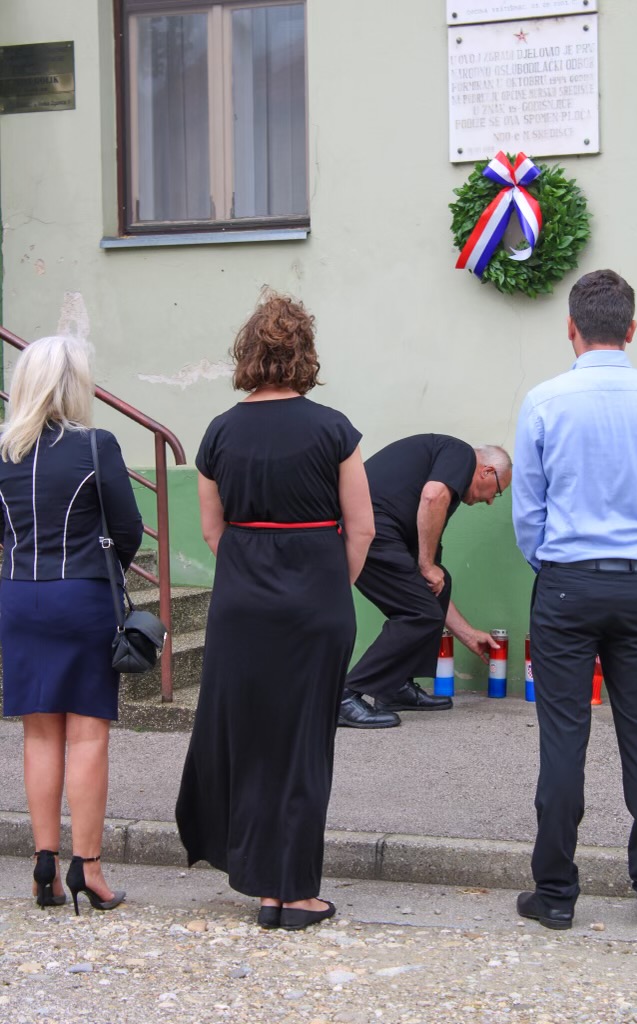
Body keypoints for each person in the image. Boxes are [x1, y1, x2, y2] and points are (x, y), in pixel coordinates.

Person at [175, 292, 375, 930]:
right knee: (305, 745)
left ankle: (266, 887)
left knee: (254, 743)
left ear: (248, 353)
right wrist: (327, 587)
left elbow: (213, 531)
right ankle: (297, 893)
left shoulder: (219, 431)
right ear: (305, 353)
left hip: (242, 606)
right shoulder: (334, 428)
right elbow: (362, 528)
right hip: (316, 605)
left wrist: (252, 578)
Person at [512, 269, 637, 931]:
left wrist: (553, 562)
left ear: (571, 329)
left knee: (564, 737)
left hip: (566, 582)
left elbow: (529, 508)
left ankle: (555, 894)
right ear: (631, 329)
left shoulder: (544, 401)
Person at [0, 335, 143, 914]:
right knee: (86, 734)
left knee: (38, 733)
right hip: (81, 594)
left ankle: (44, 867)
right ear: (75, 385)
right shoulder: (96, 445)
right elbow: (128, 529)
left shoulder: (3, 450)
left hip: (18, 594)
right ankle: (89, 867)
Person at [338, 435, 512, 728]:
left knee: (437, 587)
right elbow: (432, 496)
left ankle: (394, 686)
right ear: (487, 471)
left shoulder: (444, 492)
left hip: (378, 530)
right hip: (369, 529)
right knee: (420, 611)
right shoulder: (461, 454)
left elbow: (430, 587)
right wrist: (427, 564)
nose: (490, 500)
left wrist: (468, 634)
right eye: (496, 491)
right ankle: (345, 696)